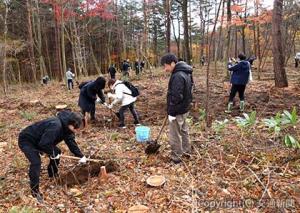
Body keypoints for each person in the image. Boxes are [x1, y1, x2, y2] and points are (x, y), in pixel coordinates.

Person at [18, 110, 87, 202]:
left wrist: (81, 156)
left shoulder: (68, 129)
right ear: (72, 124)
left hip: (42, 141)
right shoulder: (55, 125)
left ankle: (52, 174)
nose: (78, 131)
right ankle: (35, 192)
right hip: (27, 140)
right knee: (36, 162)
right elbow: (44, 144)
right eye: (77, 129)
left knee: (57, 151)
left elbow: (71, 143)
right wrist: (53, 153)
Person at [161, 53, 193, 164]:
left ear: (173, 63)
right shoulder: (186, 72)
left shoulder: (178, 75)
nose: (165, 69)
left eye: (166, 66)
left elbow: (176, 96)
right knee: (184, 131)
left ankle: (176, 158)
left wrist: (172, 112)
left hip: (178, 110)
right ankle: (187, 151)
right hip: (185, 108)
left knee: (175, 134)